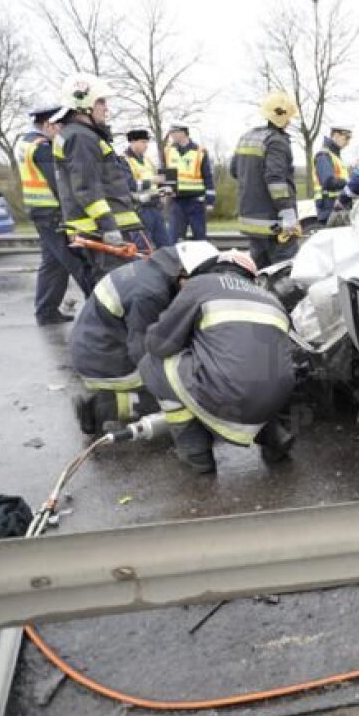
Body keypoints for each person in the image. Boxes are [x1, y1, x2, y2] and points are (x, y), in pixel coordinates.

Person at [138, 250, 296, 474]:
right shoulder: (273, 300)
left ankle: (196, 452)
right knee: (253, 372)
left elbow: (159, 344)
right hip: (277, 399)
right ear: (251, 277)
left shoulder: (202, 285)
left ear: (215, 268)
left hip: (228, 395)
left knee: (152, 365)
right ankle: (272, 434)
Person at [70, 240, 219, 435]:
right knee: (187, 395)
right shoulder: (151, 293)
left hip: (99, 346)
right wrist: (174, 384)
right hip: (106, 360)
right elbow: (143, 350)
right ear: (183, 271)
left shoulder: (153, 271)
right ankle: (101, 408)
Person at [52, 73, 144, 282]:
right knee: (119, 290)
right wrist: (109, 227)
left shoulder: (80, 135)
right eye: (101, 101)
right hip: (100, 231)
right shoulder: (81, 137)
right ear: (83, 103)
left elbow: (102, 182)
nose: (106, 108)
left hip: (98, 230)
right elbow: (86, 188)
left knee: (112, 290)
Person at [15, 101, 92, 325]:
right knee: (78, 261)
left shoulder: (25, 142)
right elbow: (59, 184)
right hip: (53, 213)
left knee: (53, 264)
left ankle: (46, 311)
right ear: (48, 125)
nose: (61, 131)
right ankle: (101, 310)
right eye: (58, 126)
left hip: (40, 212)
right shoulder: (42, 147)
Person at [232, 90, 301, 269]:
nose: (290, 121)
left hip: (252, 221)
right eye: (289, 117)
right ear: (283, 117)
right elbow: (276, 180)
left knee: (258, 270)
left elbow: (234, 170)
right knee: (283, 272)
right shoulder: (277, 142)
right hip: (275, 223)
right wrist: (287, 212)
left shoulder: (246, 138)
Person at [164, 123, 216, 241]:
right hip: (176, 201)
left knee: (200, 237)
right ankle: (175, 259)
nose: (171, 135)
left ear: (183, 132)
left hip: (196, 201)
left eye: (173, 132)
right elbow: (165, 176)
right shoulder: (168, 151)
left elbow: (208, 176)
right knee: (173, 238)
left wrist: (210, 201)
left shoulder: (200, 151)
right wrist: (164, 195)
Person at [124, 128, 173, 249]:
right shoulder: (124, 160)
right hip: (139, 209)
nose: (146, 146)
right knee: (143, 247)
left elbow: (157, 181)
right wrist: (151, 180)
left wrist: (164, 190)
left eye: (147, 142)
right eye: (143, 142)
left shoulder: (147, 160)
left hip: (154, 207)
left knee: (165, 244)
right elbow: (130, 185)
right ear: (133, 142)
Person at [312, 124, 352, 225]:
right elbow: (328, 182)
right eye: (346, 138)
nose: (348, 142)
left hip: (337, 208)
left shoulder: (335, 156)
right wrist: (349, 183)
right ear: (336, 135)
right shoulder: (324, 155)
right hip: (330, 208)